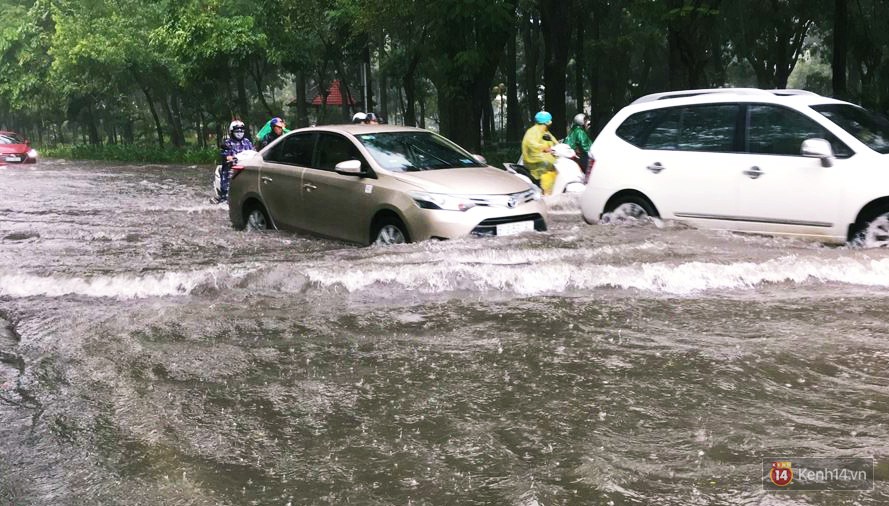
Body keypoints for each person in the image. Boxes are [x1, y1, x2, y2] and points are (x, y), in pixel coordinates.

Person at [213, 120, 254, 204]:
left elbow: (253, 152)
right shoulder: (227, 143)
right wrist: (231, 158)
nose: (240, 133)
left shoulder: (247, 142)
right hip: (231, 169)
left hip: (245, 167)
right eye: (237, 131)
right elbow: (226, 156)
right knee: (227, 196)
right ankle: (224, 196)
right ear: (232, 132)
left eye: (241, 131)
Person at [521, 111, 558, 194]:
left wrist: (560, 147)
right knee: (547, 167)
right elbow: (531, 144)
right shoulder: (533, 131)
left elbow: (554, 141)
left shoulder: (545, 131)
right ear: (546, 121)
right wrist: (544, 148)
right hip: (536, 161)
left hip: (547, 157)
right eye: (549, 119)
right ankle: (545, 192)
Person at [564, 113, 593, 182]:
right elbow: (585, 146)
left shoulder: (573, 130)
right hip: (579, 156)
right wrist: (593, 152)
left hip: (573, 155)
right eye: (585, 120)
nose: (587, 122)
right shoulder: (580, 132)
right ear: (581, 122)